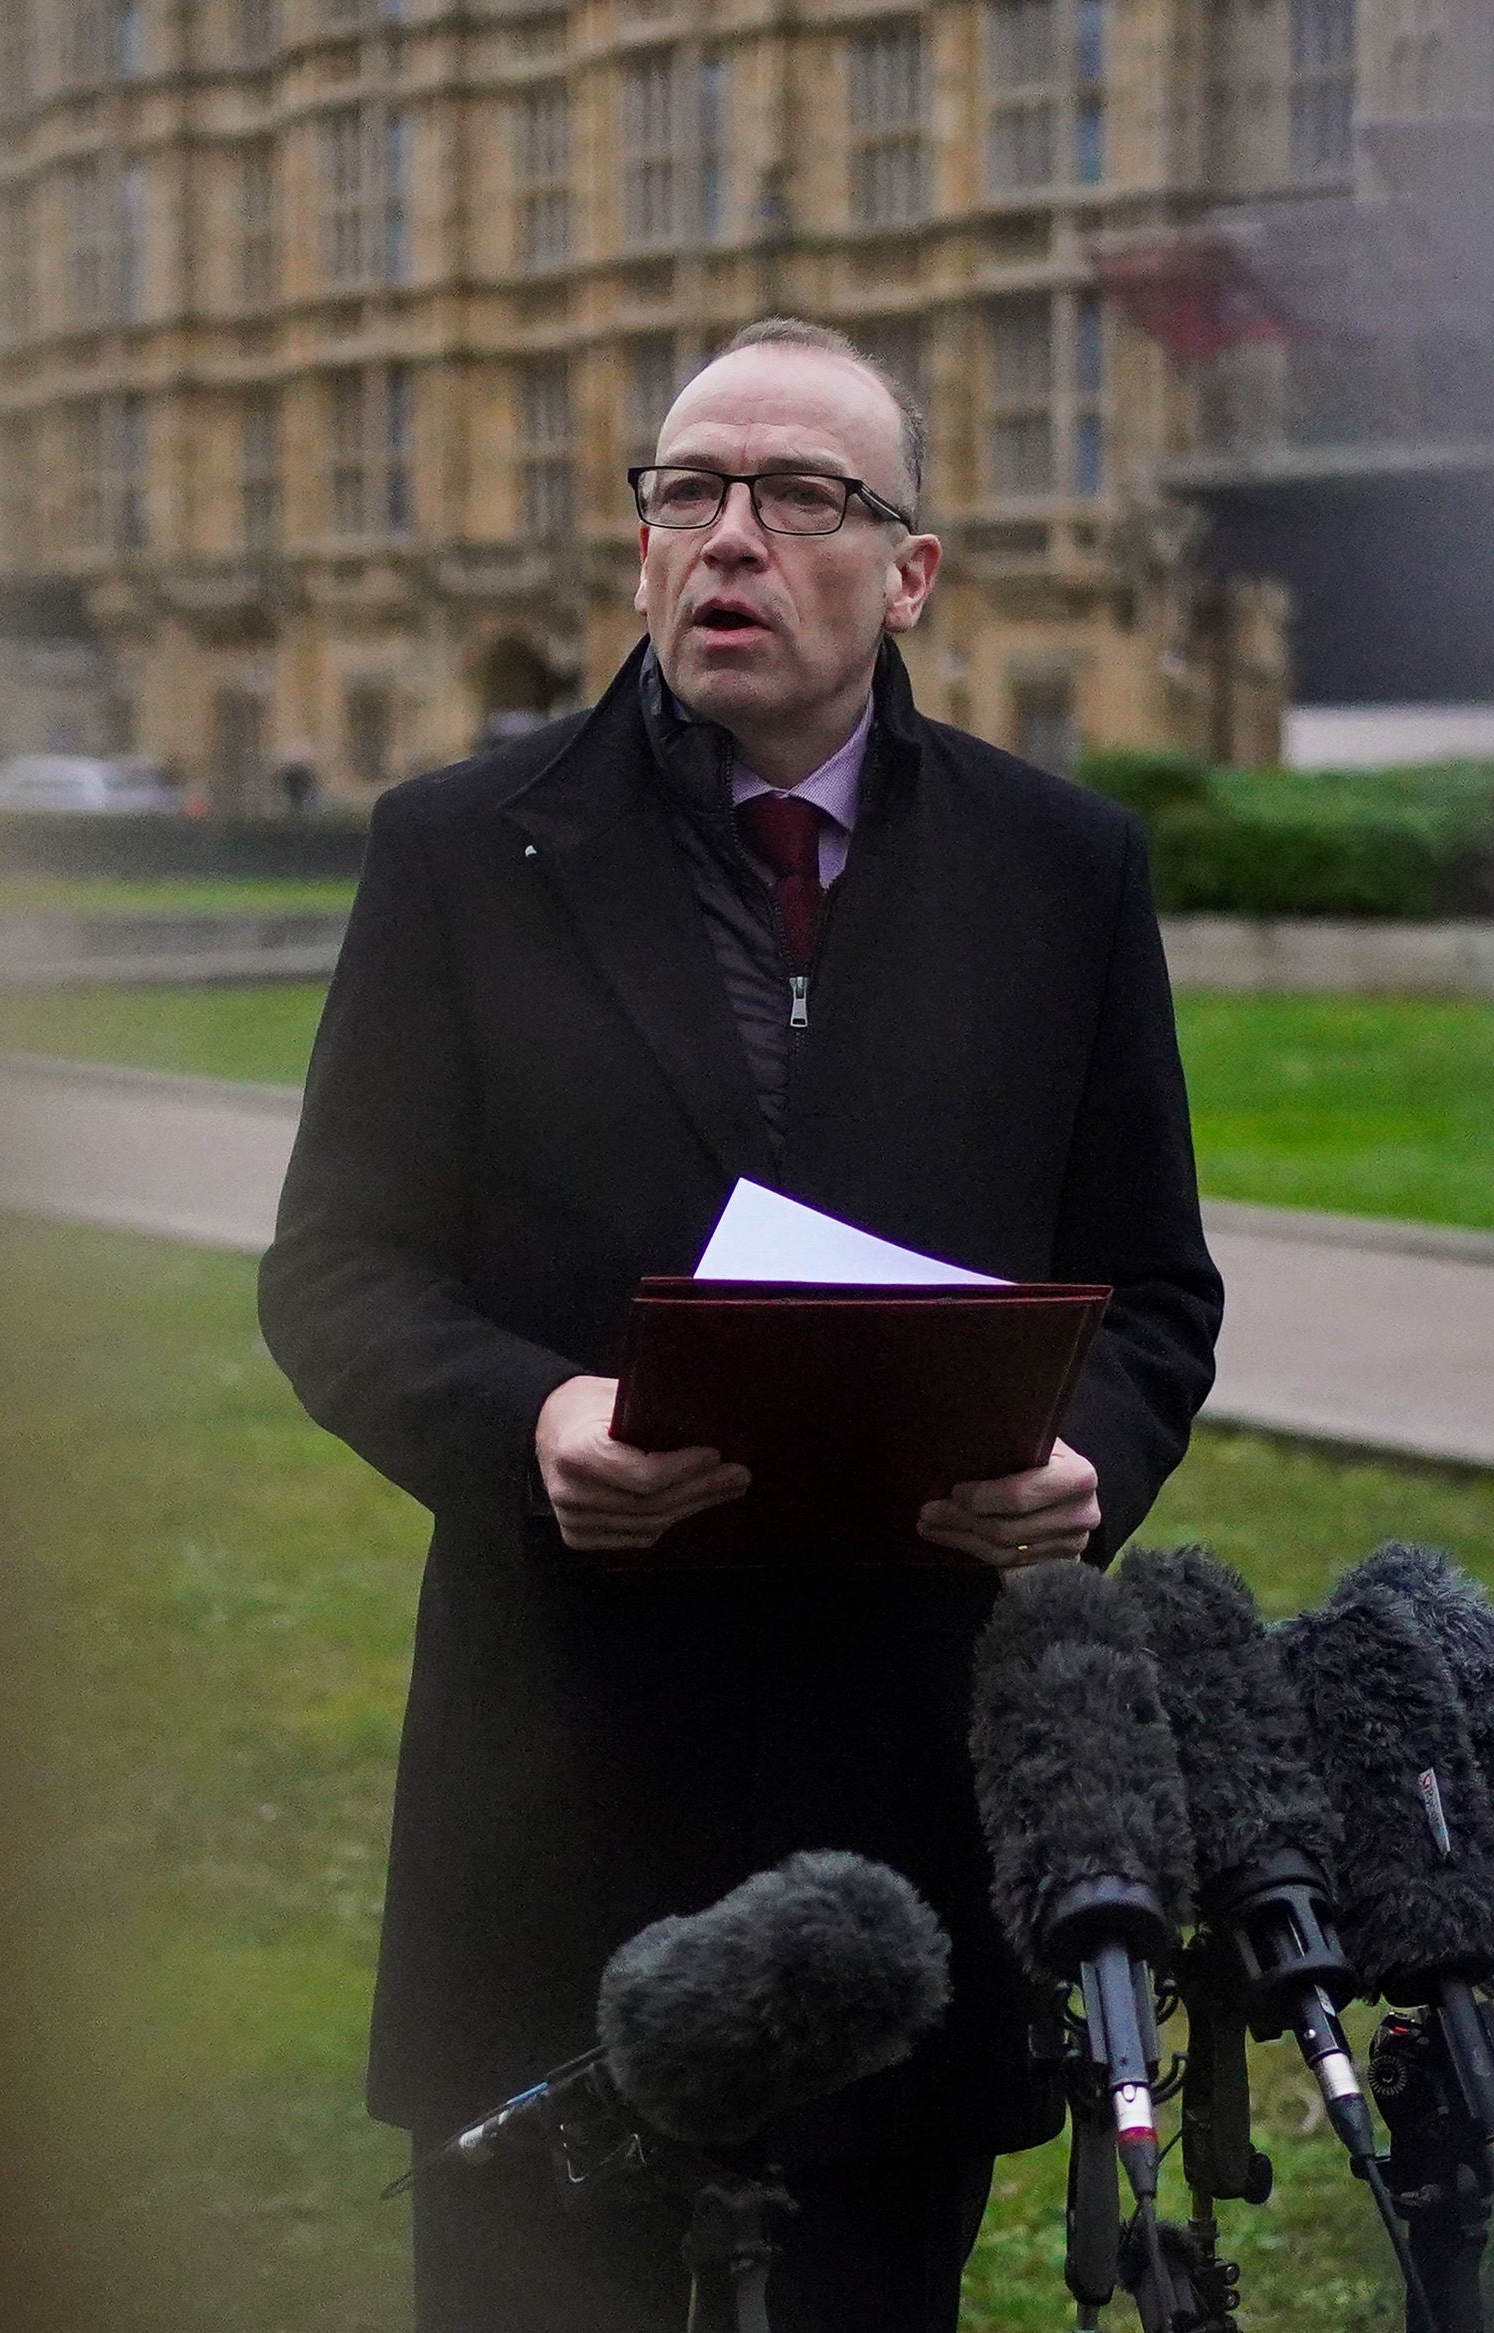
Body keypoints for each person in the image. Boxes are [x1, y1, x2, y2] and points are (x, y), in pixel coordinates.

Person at [256, 318, 1224, 2332]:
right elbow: (334, 1269)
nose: (728, 536)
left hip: (899, 1807)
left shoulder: (1062, 871)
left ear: (910, 567)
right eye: (685, 490)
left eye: (799, 497)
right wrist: (530, 1422)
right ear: (637, 547)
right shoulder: (460, 849)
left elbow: (1151, 1288)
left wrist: (1086, 1464)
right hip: (556, 1788)